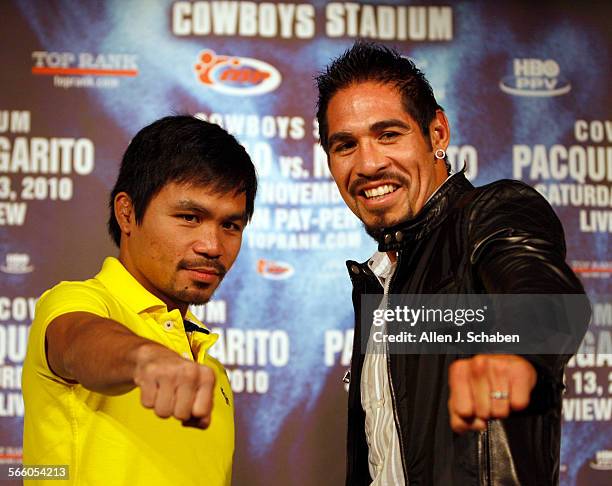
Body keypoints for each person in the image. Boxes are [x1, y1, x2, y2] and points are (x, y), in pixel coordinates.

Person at [316, 42, 589, 485]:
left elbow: (543, 295)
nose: (368, 163)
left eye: (389, 134)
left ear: (437, 133)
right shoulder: (379, 281)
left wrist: (518, 354)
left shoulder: (489, 213)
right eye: (345, 144)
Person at [22, 115, 257, 485]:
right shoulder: (78, 302)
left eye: (230, 225)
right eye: (189, 217)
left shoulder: (211, 371)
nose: (213, 246)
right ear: (127, 213)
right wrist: (143, 359)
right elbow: (79, 342)